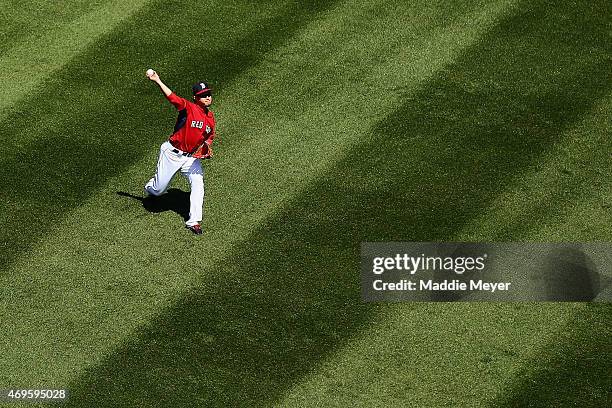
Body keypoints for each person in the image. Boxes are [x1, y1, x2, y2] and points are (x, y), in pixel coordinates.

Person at [144, 69, 216, 235]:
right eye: (203, 95)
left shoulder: (210, 117)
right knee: (158, 190)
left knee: (198, 184)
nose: (207, 97)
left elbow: (209, 136)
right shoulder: (188, 108)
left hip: (191, 158)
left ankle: (194, 221)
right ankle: (150, 186)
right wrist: (157, 80)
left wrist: (205, 147)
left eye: (208, 94)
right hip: (172, 153)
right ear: (195, 98)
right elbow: (172, 97)